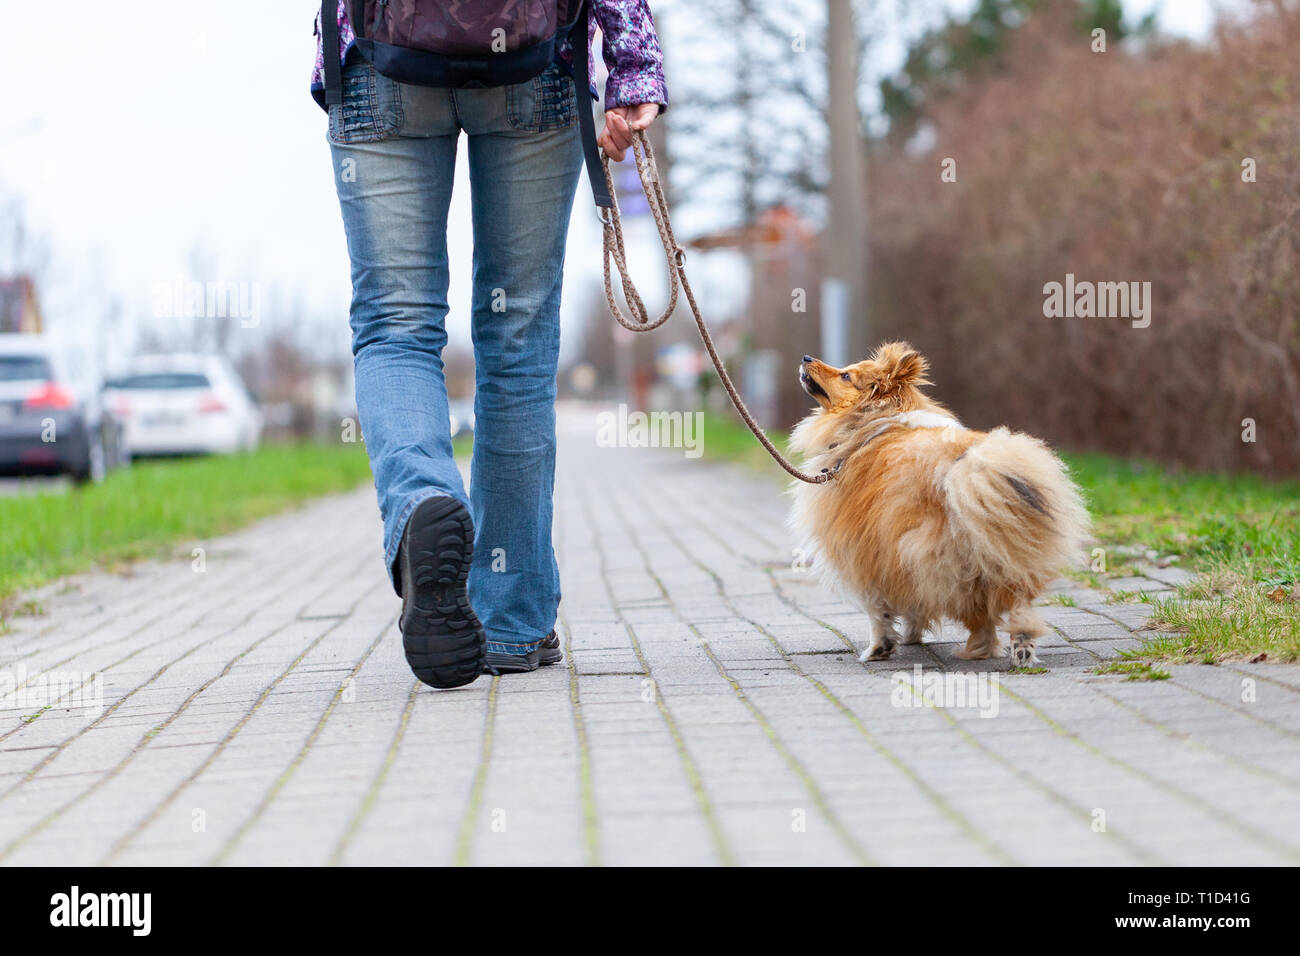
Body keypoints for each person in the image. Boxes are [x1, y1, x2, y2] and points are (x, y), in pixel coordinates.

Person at [312, 2, 667, 688]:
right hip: (534, 64)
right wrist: (633, 69)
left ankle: (421, 505)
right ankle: (509, 619)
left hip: (379, 59)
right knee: (518, 344)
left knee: (395, 327)